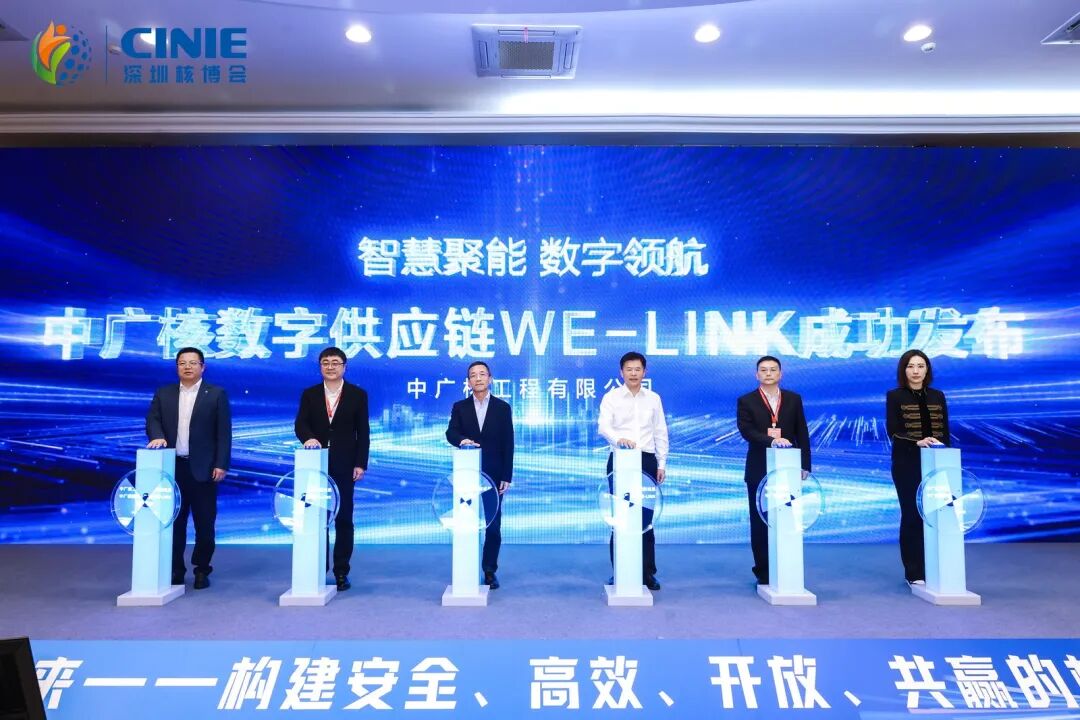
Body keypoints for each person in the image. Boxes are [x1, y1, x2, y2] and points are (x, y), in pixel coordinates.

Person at [146, 347, 232, 590]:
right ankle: (176, 569)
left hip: (204, 469)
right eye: (182, 363)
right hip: (172, 469)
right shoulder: (164, 393)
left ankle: (202, 569)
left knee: (205, 525)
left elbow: (224, 433)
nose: (187, 367)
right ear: (177, 367)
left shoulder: (216, 394)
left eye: (193, 363)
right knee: (174, 523)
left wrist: (221, 464)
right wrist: (157, 436)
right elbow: (152, 420)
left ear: (203, 367)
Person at [294, 347, 370, 591]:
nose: (330, 367)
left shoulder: (357, 395)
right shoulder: (310, 394)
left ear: (344, 367)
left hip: (345, 465)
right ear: (320, 367)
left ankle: (341, 571)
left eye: (335, 362)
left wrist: (360, 463)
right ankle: (318, 567)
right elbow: (300, 424)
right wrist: (308, 438)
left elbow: (363, 432)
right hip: (315, 464)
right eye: (325, 362)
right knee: (316, 517)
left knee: (344, 518)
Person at [736, 355, 810, 585]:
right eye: (763, 370)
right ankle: (763, 570)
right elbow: (747, 431)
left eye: (773, 369)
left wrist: (805, 464)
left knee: (787, 517)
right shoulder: (746, 400)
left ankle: (786, 567)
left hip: (788, 468)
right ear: (756, 374)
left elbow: (802, 431)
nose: (768, 373)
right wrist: (772, 440)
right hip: (758, 467)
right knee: (760, 519)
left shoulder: (793, 399)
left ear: (780, 374)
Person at [598, 351, 668, 591]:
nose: (633, 373)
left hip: (646, 461)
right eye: (629, 369)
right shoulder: (612, 397)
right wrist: (619, 439)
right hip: (620, 460)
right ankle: (620, 571)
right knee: (620, 517)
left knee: (645, 519)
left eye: (638, 369)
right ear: (621, 372)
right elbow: (603, 426)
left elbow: (660, 432)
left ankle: (647, 573)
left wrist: (661, 463)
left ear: (644, 372)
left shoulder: (653, 399)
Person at [445, 361, 515, 589]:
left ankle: (489, 570)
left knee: (492, 525)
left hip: (494, 475)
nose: (478, 378)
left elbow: (508, 443)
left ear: (490, 378)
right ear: (468, 381)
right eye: (473, 375)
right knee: (466, 523)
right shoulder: (460, 407)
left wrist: (506, 475)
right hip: (467, 473)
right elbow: (450, 432)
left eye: (482, 374)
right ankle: (466, 570)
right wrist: (461, 440)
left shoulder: (502, 408)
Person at [886, 348, 950, 586]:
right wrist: (917, 441)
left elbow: (945, 431)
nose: (916, 371)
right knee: (912, 514)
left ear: (927, 370)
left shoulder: (938, 395)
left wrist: (946, 456)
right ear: (903, 370)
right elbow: (893, 429)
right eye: (911, 366)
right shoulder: (895, 396)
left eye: (920, 366)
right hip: (907, 462)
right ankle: (914, 571)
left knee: (938, 513)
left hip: (937, 462)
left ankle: (935, 566)